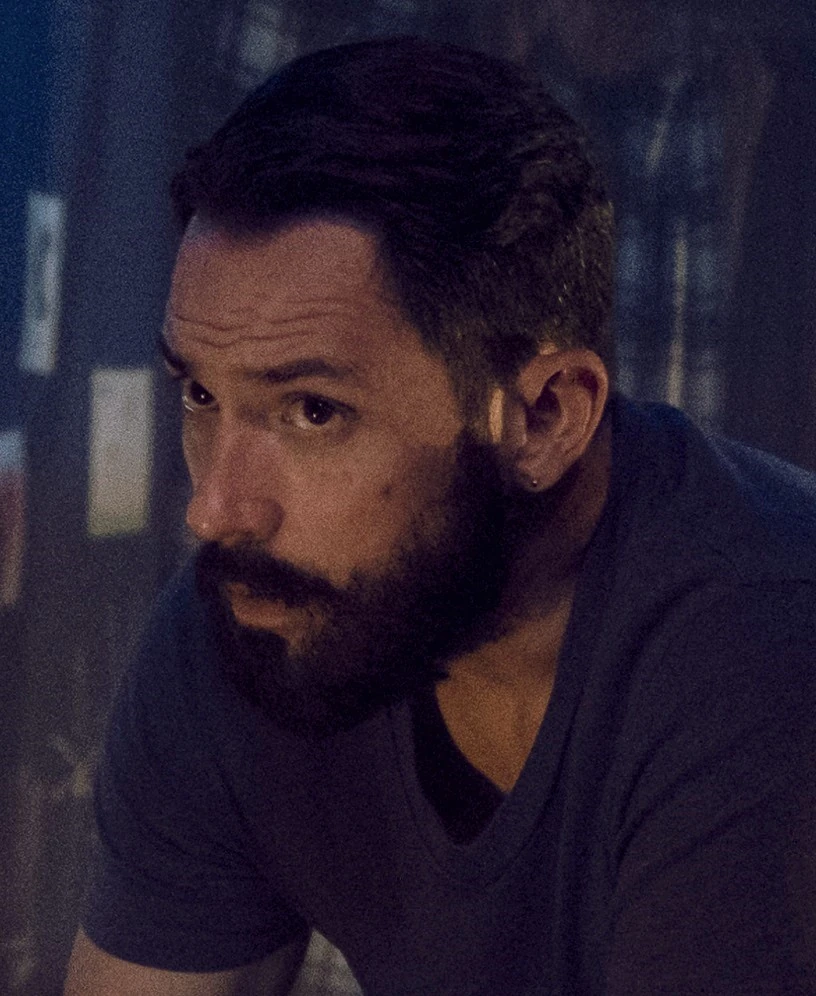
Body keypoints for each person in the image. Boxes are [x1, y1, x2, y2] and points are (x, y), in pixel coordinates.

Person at [64, 36, 816, 996]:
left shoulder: (762, 651)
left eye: (313, 412)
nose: (215, 509)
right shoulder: (254, 625)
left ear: (545, 417)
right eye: (201, 396)